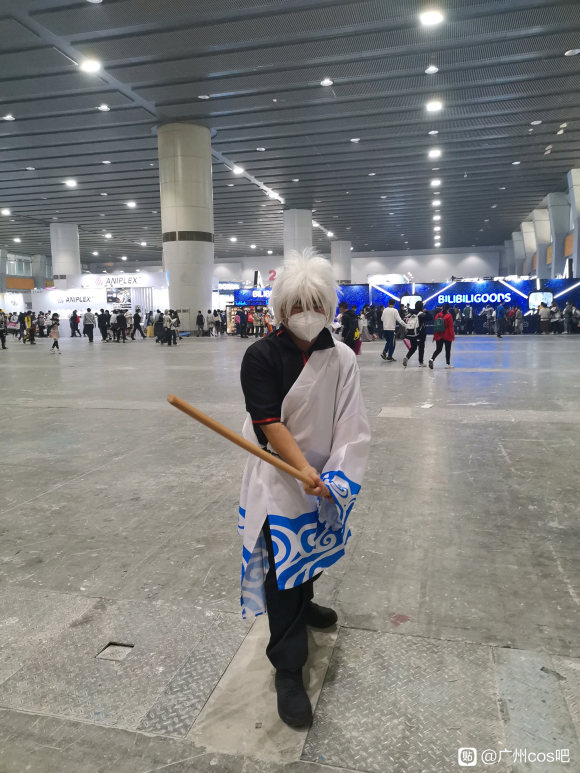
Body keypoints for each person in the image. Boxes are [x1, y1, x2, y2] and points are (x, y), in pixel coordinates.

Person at [239, 249, 371, 727]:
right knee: (283, 570)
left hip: (323, 476)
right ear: (280, 308)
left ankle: (307, 601)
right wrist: (301, 471)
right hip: (278, 475)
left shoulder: (342, 358)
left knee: (309, 551)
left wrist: (335, 476)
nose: (307, 313)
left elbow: (352, 421)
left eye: (316, 304)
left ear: (329, 307)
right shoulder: (261, 356)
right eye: (297, 305)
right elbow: (268, 423)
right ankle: (289, 668)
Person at [403, 301, 432, 367]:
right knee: (421, 348)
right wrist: (426, 311)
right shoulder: (421, 314)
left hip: (412, 333)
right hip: (420, 334)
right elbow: (430, 317)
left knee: (413, 347)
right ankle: (421, 362)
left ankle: (407, 357)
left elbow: (405, 318)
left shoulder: (411, 313)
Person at [429, 302, 455, 369]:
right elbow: (450, 326)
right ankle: (447, 364)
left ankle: (432, 359)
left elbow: (436, 325)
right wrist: (452, 335)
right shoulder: (449, 316)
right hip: (447, 335)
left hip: (438, 335)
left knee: (438, 349)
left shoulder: (437, 315)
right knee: (447, 350)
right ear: (448, 308)